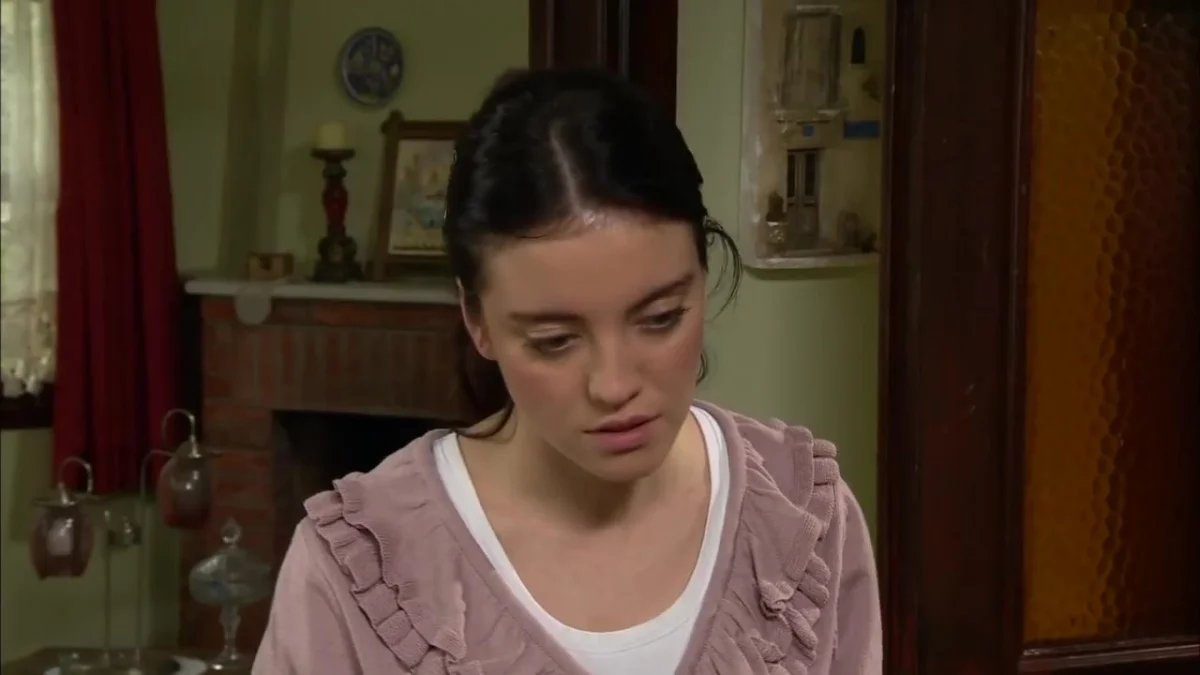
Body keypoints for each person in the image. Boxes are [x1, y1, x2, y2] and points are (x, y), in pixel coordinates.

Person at [252, 67, 881, 675]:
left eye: (661, 318)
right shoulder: (359, 573)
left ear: (702, 275)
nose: (614, 386)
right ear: (477, 320)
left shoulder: (804, 523)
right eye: (554, 341)